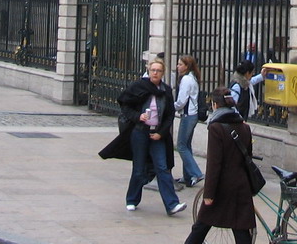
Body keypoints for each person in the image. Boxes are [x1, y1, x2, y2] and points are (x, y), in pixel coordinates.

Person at [99, 58, 186, 217]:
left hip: (157, 135)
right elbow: (125, 105)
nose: (155, 73)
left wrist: (162, 132)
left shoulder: (166, 91)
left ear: (162, 73)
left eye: (158, 71)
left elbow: (169, 115)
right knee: (139, 169)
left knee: (162, 168)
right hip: (140, 132)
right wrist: (138, 116)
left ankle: (172, 204)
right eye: (153, 70)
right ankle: (132, 199)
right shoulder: (139, 86)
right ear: (148, 70)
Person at [182, 88, 256, 244]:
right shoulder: (245, 127)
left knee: (201, 227)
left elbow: (214, 164)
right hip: (241, 185)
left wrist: (208, 193)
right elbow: (247, 157)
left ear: (215, 105)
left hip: (222, 186)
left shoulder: (216, 128)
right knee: (241, 230)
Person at [175, 55, 205, 187]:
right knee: (186, 145)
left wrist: (173, 106)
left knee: (181, 146)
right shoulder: (192, 78)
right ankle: (187, 177)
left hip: (188, 115)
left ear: (186, 66)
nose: (178, 67)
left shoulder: (186, 79)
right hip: (192, 115)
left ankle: (196, 173)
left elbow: (182, 101)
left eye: (180, 64)